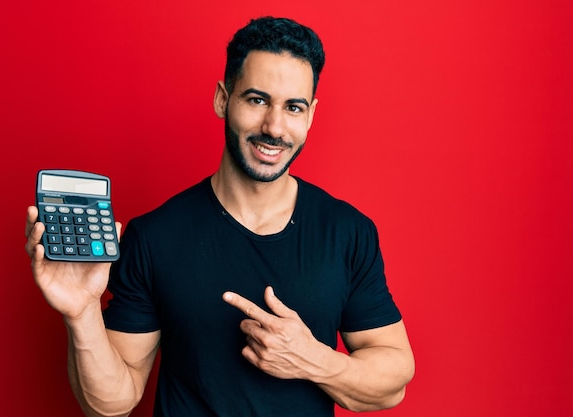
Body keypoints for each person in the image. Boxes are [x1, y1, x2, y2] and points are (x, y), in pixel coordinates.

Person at [25, 16, 414, 417]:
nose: (274, 127)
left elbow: (392, 383)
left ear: (310, 116)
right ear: (223, 99)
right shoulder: (154, 236)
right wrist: (81, 312)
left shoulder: (347, 232)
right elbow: (110, 404)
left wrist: (312, 358)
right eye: (257, 100)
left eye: (293, 107)